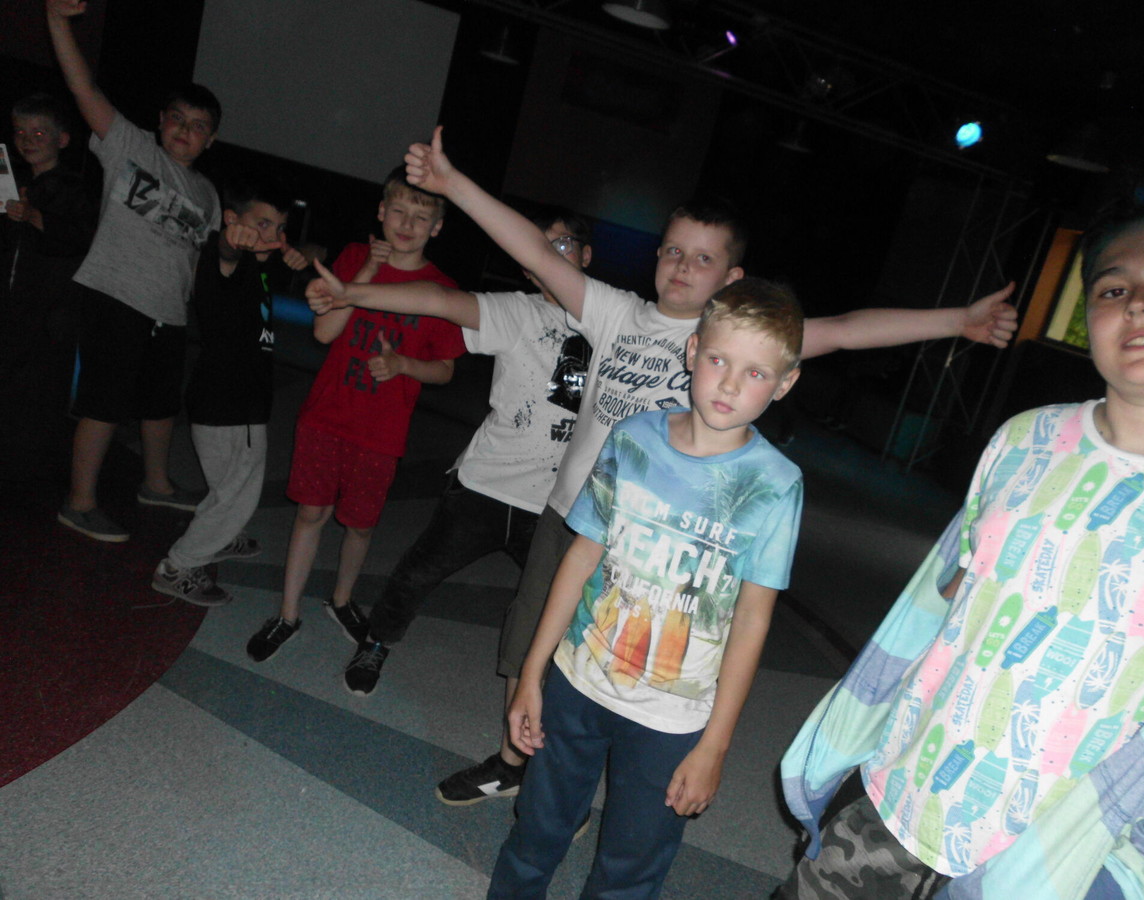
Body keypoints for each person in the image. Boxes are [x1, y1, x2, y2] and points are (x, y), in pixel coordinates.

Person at [406, 126, 1020, 806]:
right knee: (532, 645)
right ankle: (513, 763)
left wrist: (957, 321)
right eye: (672, 250)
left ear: (731, 279)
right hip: (575, 519)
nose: (681, 266)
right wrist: (452, 183)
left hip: (657, 545)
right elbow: (532, 250)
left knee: (619, 666)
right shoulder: (614, 313)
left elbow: (847, 329)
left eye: (702, 259)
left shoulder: (737, 343)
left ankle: (566, 790)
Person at [777, 171, 1144, 900]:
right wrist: (861, 740)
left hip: (1051, 861)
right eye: (1111, 288)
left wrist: (1135, 878)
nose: (1138, 302)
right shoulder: (1025, 439)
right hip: (904, 791)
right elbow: (937, 604)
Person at [488, 277, 804, 897]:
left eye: (756, 373)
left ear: (785, 383)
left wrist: (714, 746)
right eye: (718, 360)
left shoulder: (776, 483)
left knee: (631, 868)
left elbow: (752, 620)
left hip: (672, 716)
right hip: (579, 679)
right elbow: (582, 555)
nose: (730, 385)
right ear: (692, 351)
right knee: (537, 831)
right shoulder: (634, 436)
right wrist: (532, 671)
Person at [305, 206, 595, 698]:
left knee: (562, 599)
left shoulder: (613, 320)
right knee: (418, 571)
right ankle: (376, 641)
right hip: (485, 483)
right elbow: (438, 299)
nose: (549, 257)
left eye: (562, 245)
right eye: (539, 248)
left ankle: (559, 686)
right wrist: (352, 293)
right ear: (526, 266)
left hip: (556, 501)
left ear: (586, 255)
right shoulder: (516, 310)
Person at [246, 171, 466, 664]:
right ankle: (287, 614)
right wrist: (367, 267)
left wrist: (403, 365)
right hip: (326, 415)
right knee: (310, 513)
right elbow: (324, 333)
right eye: (398, 211)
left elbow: (446, 370)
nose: (406, 224)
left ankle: (341, 601)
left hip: (381, 431)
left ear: (436, 227)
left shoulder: (442, 290)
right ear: (381, 213)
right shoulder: (352, 258)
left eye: (421, 217)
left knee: (361, 526)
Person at [47, 0, 222, 542]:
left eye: (198, 127)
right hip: (115, 296)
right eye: (178, 119)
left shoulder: (208, 194)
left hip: (168, 313)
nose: (185, 131)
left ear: (211, 140)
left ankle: (157, 484)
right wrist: (57, 20)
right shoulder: (130, 146)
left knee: (160, 405)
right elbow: (83, 89)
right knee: (104, 403)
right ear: (160, 120)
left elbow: (201, 261)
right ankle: (79, 503)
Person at [150, 175, 309, 606]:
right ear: (233, 220)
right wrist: (230, 240)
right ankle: (177, 566)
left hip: (231, 399)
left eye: (279, 226)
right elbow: (223, 254)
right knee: (239, 493)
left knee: (229, 487)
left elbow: (301, 254)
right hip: (230, 403)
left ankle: (221, 535)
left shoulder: (260, 265)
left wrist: (296, 252)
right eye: (262, 223)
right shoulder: (223, 258)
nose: (271, 234)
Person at [0, 92, 97, 462]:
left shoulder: (73, 188)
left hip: (50, 313)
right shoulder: (16, 182)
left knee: (39, 392)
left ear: (62, 140)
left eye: (39, 133)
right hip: (13, 305)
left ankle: (31, 463)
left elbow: (80, 238)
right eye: (20, 132)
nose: (27, 140)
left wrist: (35, 216)